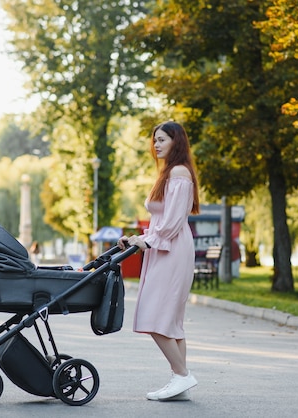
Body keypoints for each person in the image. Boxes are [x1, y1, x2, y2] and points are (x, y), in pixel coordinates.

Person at [117, 121, 200, 401]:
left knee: (155, 316)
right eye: (155, 140)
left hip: (172, 249)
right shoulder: (170, 172)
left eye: (162, 139)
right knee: (171, 321)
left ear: (177, 141)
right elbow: (164, 220)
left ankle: (182, 375)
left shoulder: (178, 172)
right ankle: (181, 382)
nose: (157, 145)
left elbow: (175, 220)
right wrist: (139, 238)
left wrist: (150, 240)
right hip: (167, 245)